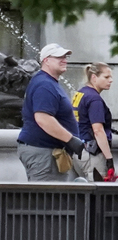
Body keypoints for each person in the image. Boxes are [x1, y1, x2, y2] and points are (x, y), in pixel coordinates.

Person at [17, 43, 85, 182]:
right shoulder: (45, 85)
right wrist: (71, 140)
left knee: (50, 194)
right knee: (47, 195)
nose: (64, 60)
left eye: (65, 57)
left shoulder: (46, 82)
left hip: (45, 151)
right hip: (44, 152)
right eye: (59, 57)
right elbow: (43, 118)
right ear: (46, 60)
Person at [71, 62, 117, 181]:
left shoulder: (80, 93)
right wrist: (109, 159)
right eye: (106, 77)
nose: (111, 80)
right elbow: (98, 131)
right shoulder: (94, 99)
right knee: (98, 190)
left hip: (78, 152)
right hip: (92, 154)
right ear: (94, 77)